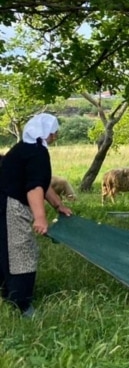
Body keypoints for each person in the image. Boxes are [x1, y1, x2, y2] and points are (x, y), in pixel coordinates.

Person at [0, 113, 73, 317]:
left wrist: (58, 205)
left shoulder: (26, 148)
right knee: (22, 251)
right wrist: (40, 217)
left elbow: (40, 181)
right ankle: (21, 304)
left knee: (6, 249)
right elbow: (34, 187)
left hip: (6, 201)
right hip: (11, 204)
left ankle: (7, 294)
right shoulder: (37, 152)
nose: (56, 135)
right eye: (54, 131)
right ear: (46, 132)